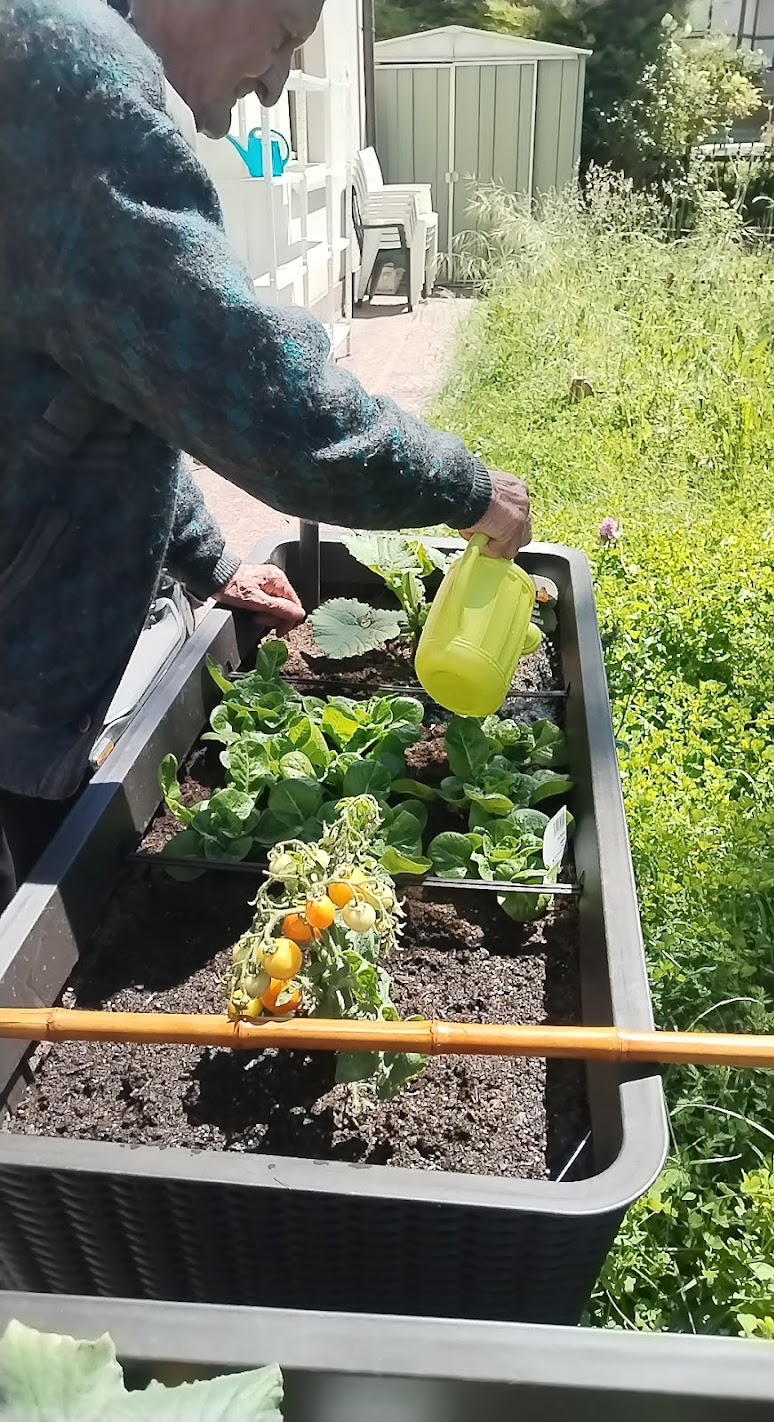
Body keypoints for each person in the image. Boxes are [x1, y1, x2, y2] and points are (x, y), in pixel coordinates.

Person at [0, 0, 531, 913]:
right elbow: (261, 395)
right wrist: (464, 487)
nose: (282, 80)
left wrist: (209, 559)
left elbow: (120, 387)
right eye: (284, 35)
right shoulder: (76, 82)